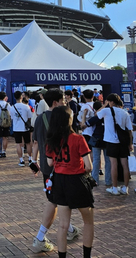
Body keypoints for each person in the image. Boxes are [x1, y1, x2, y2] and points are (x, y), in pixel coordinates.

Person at [30, 89, 79, 253]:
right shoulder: (64, 117)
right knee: (54, 200)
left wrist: (33, 161)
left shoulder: (40, 118)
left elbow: (35, 143)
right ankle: (40, 237)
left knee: (56, 198)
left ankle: (70, 229)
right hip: (63, 164)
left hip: (46, 165)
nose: (65, 102)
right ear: (56, 102)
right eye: (62, 100)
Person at [46, 105, 94, 258]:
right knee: (88, 221)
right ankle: (86, 255)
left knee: (63, 225)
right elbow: (89, 166)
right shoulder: (78, 139)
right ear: (69, 120)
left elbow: (49, 163)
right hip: (77, 181)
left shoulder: (51, 140)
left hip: (60, 182)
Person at [94, 94, 133, 196]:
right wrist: (130, 143)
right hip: (123, 142)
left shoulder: (106, 111)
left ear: (110, 102)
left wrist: (104, 105)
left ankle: (114, 187)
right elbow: (129, 130)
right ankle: (125, 187)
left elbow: (96, 114)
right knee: (125, 164)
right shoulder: (125, 113)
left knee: (113, 164)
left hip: (111, 141)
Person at [11, 91, 33, 166]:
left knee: (18, 144)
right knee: (28, 143)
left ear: (14, 98)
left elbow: (12, 118)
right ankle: (30, 159)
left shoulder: (12, 107)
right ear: (21, 97)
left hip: (16, 128)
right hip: (25, 128)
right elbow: (30, 117)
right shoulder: (26, 106)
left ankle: (21, 160)